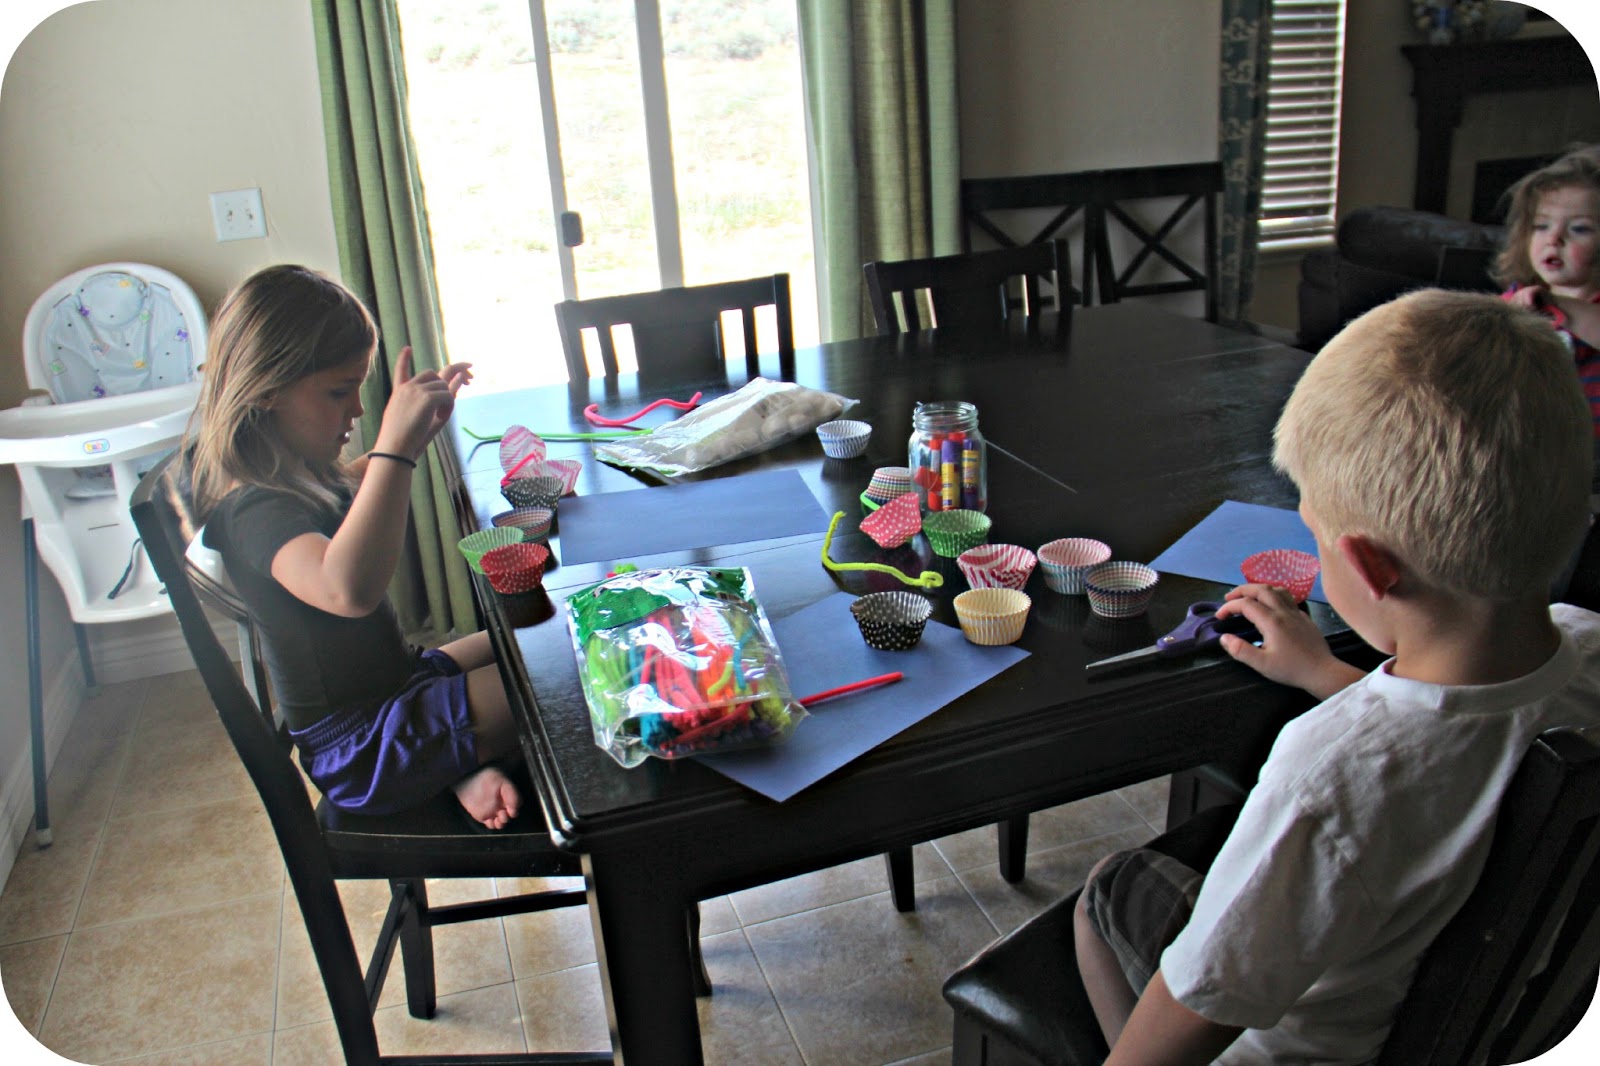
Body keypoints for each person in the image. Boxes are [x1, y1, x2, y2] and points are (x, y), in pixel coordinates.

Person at [1073, 289, 1600, 1065]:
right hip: (1488, 1026)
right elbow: (1456, 741)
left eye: (1315, 534)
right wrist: (1324, 671)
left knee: (1109, 887)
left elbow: (1197, 1003)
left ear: (1365, 566)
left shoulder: (1326, 773)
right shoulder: (1588, 652)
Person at [183, 264, 522, 829]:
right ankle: (455, 760)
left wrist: (414, 435)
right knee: (558, 673)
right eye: (341, 392)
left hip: (396, 689)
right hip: (364, 748)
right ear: (266, 389)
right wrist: (396, 451)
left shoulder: (290, 475)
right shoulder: (252, 510)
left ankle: (457, 763)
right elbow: (346, 590)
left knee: (537, 634)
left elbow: (348, 489)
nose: (359, 411)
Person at [1496, 145, 1600, 435]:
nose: (1554, 239)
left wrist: (1556, 307)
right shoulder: (1516, 299)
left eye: (1579, 229)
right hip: (1533, 441)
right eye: (1541, 226)